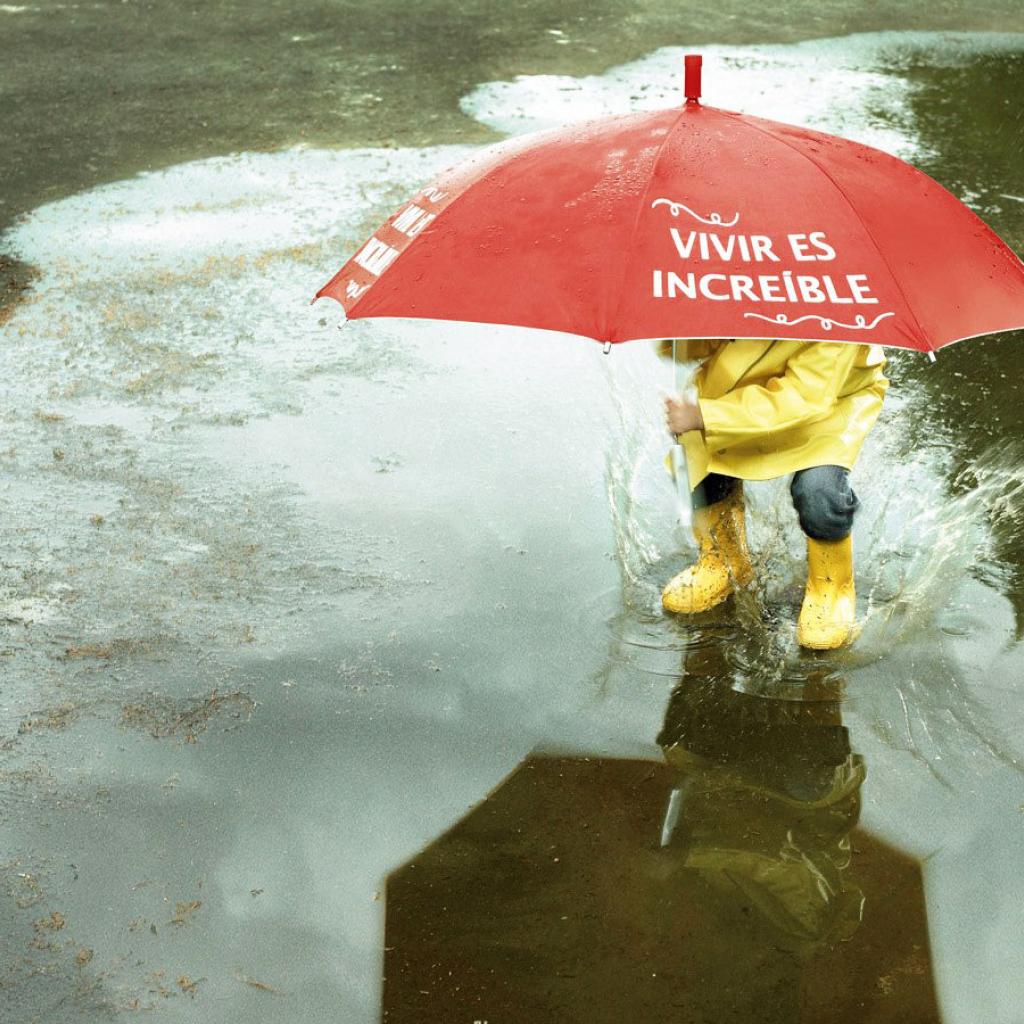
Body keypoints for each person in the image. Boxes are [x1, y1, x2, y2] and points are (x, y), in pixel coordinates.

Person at [660, 337, 889, 649]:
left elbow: (804, 398)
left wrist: (706, 416)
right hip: (741, 394)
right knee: (695, 458)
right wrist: (685, 334)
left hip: (827, 404)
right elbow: (699, 346)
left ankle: (831, 588)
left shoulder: (839, 324)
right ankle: (723, 561)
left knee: (818, 489)